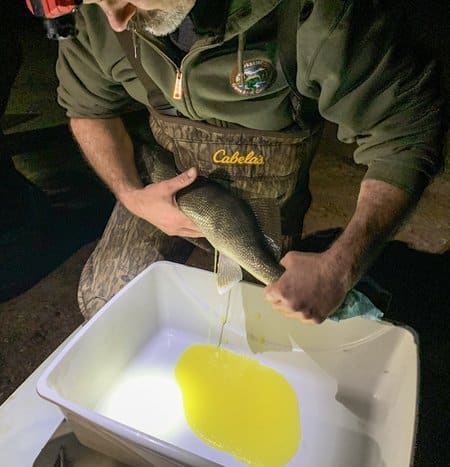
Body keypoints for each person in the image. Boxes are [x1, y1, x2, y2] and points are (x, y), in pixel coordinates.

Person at [55, 0, 444, 323]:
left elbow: (405, 138)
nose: (114, 19)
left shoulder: (322, 16)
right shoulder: (101, 13)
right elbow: (88, 110)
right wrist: (130, 194)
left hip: (265, 204)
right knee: (108, 300)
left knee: (270, 326)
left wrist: (339, 269)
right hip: (163, 184)